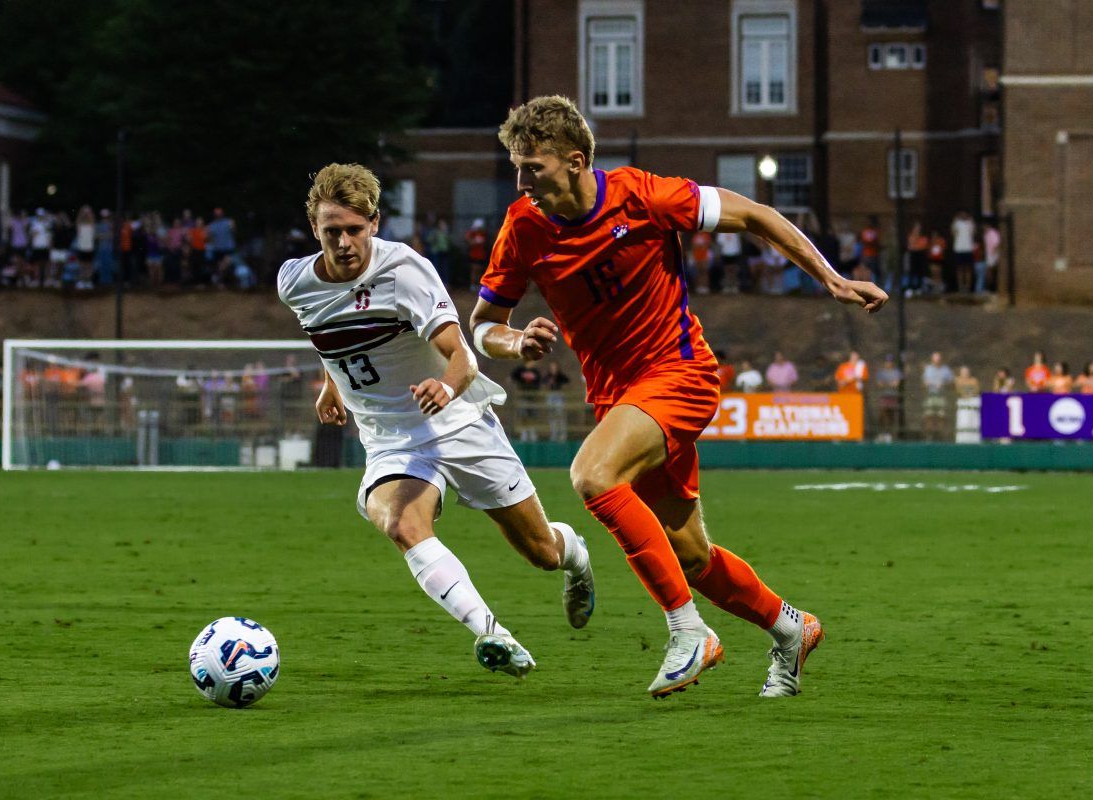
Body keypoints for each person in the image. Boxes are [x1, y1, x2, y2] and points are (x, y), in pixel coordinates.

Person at [470, 95, 887, 698]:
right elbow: (484, 323)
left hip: (681, 374)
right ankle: (791, 629)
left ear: (576, 160)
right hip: (622, 400)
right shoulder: (523, 226)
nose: (521, 180)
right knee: (691, 555)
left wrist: (832, 279)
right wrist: (513, 344)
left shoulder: (643, 195)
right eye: (516, 166)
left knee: (592, 474)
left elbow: (756, 215)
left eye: (533, 167)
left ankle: (688, 631)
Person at [277, 162, 595, 681]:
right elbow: (328, 334)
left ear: (374, 224)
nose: (343, 243)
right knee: (402, 523)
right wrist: (332, 384)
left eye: (353, 230)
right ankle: (492, 632)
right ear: (315, 229)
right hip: (389, 439)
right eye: (331, 231)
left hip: (457, 421)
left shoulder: (405, 272)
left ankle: (576, 558)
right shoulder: (294, 282)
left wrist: (445, 386)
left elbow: (464, 358)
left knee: (541, 551)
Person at [922, 351, 954, 441]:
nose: (937, 360)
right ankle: (929, 437)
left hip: (941, 396)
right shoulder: (928, 369)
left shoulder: (946, 370)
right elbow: (924, 383)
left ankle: (940, 437)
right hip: (930, 395)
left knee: (941, 416)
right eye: (935, 359)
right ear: (932, 359)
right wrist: (927, 384)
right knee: (929, 416)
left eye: (938, 359)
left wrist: (943, 384)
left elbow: (951, 382)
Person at [875, 354, 902, 441]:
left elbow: (896, 384)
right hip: (884, 396)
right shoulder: (881, 372)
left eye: (890, 362)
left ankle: (889, 435)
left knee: (891, 416)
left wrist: (886, 383)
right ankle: (881, 433)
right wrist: (889, 383)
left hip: (892, 396)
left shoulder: (896, 372)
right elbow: (879, 384)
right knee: (883, 414)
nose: (889, 363)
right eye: (887, 361)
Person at [464, 218, 489, 291]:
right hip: (473, 255)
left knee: (480, 271)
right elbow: (467, 241)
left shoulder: (483, 234)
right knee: (474, 270)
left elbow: (485, 242)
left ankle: (478, 285)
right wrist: (475, 242)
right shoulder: (472, 233)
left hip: (481, 255)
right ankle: (473, 285)